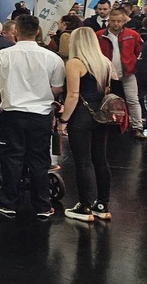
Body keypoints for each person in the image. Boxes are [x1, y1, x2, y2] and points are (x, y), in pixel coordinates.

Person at [0, 14, 65, 220]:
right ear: (38, 32)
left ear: (16, 32)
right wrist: (42, 96)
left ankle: (8, 203)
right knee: (40, 159)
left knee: (11, 158)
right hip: (40, 115)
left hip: (12, 114)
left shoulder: (3, 55)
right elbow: (57, 88)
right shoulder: (52, 57)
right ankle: (43, 206)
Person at [58, 27, 114, 222]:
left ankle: (84, 206)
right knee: (100, 159)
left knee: (83, 162)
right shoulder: (105, 62)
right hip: (102, 115)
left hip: (81, 116)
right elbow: (107, 89)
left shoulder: (75, 63)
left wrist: (63, 120)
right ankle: (102, 205)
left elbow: (73, 95)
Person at [97, 8, 144, 134]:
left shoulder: (133, 35)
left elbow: (139, 51)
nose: (116, 24)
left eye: (119, 21)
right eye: (113, 21)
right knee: (102, 98)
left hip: (128, 73)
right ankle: (102, 123)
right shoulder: (100, 35)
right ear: (109, 21)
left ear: (124, 21)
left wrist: (133, 65)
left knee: (133, 100)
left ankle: (137, 127)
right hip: (105, 74)